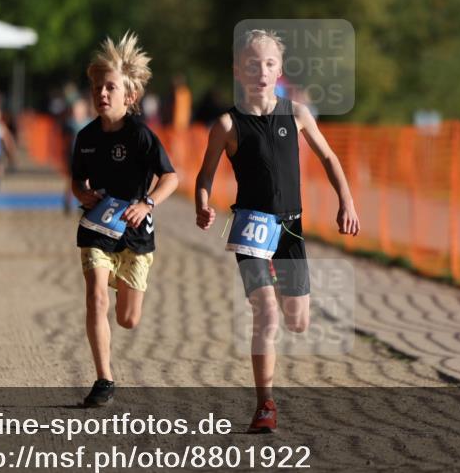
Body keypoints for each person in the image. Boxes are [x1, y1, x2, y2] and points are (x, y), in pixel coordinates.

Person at [195, 29, 360, 433]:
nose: (261, 71)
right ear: (238, 70)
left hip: (290, 231)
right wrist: (202, 202)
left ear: (280, 69)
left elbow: (329, 158)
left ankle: (283, 297)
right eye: (252, 64)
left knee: (297, 321)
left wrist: (347, 201)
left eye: (268, 64)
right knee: (265, 313)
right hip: (251, 229)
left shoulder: (297, 114)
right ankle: (265, 403)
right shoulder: (227, 123)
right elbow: (205, 175)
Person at [71, 32, 179, 407]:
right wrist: (83, 194)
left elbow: (171, 178)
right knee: (96, 298)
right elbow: (77, 181)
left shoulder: (141, 137)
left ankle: (119, 280)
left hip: (135, 236)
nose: (102, 93)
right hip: (97, 231)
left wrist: (147, 203)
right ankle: (104, 380)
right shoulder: (85, 137)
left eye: (110, 87)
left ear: (128, 95)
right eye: (97, 87)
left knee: (128, 319)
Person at [62, 96, 93, 213]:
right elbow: (65, 140)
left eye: (79, 109)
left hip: (87, 155)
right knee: (71, 179)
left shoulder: (89, 122)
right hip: (73, 155)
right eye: (75, 109)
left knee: (86, 181)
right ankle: (67, 202)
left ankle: (85, 202)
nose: (77, 112)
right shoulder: (69, 123)